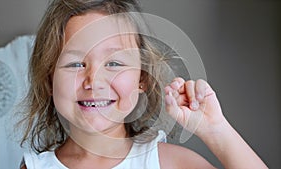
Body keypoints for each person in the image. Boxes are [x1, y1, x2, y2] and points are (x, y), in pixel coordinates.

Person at [18, 0, 267, 168]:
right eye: (75, 64)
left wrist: (216, 130)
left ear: (142, 79)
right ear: (49, 80)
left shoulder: (167, 162)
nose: (94, 80)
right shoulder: (34, 167)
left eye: (114, 63)